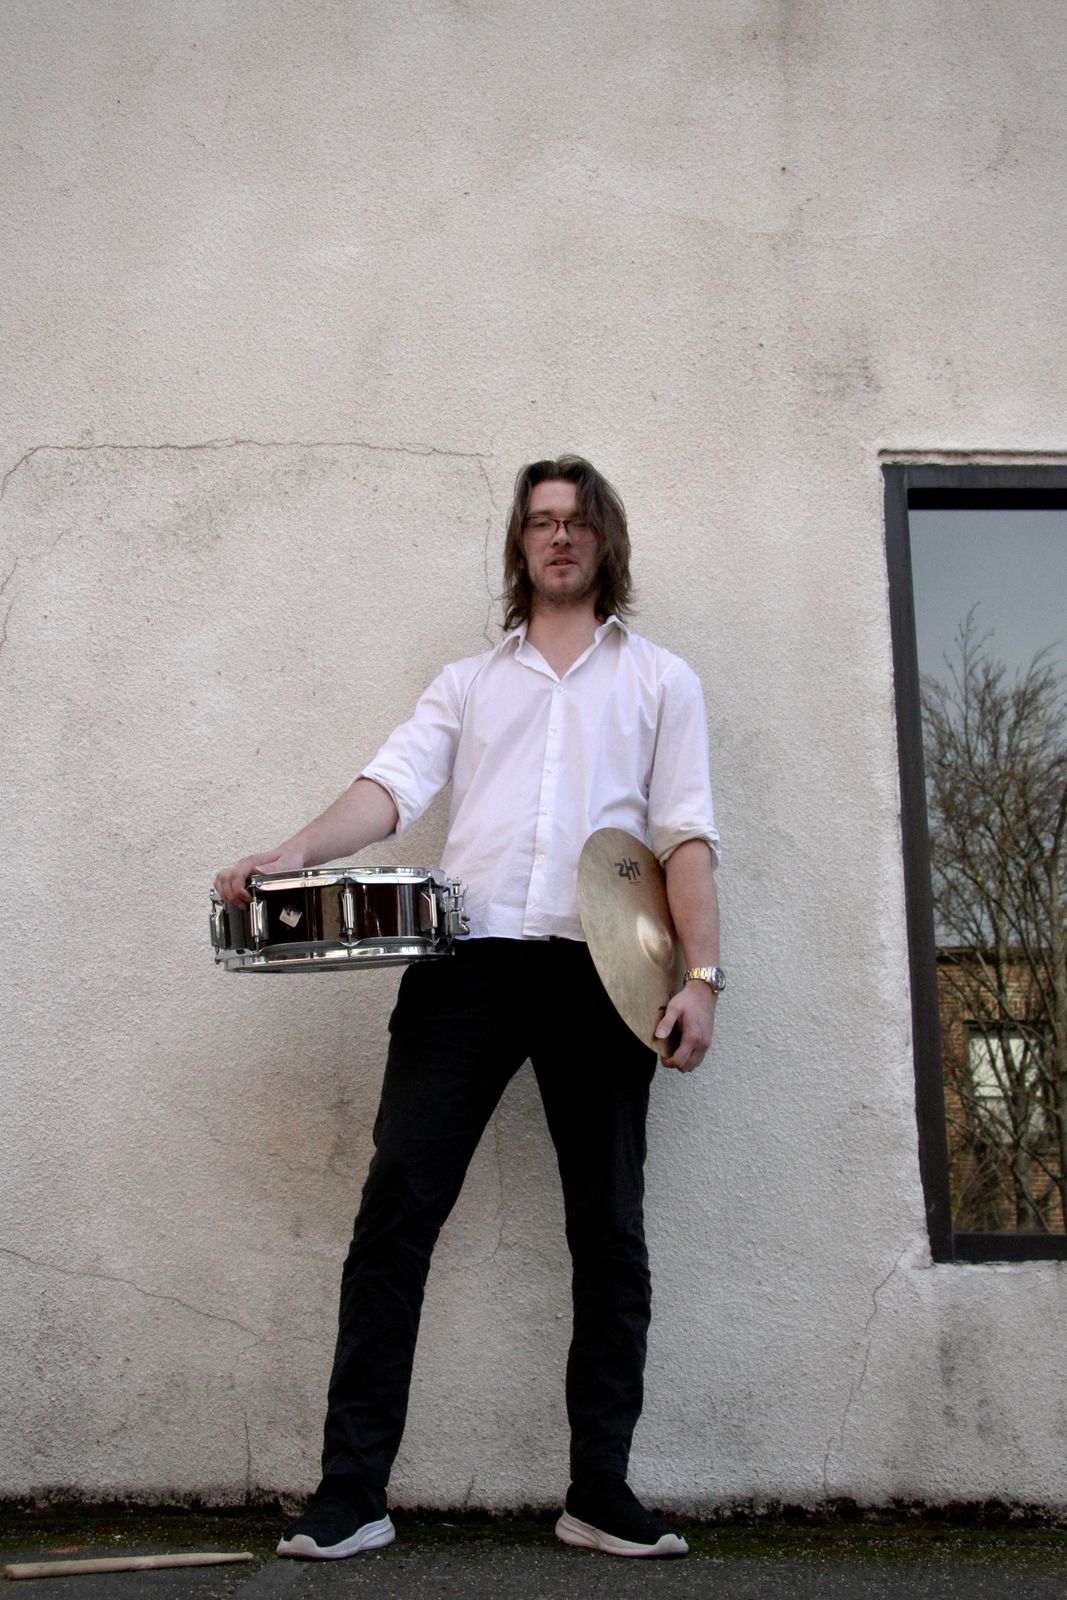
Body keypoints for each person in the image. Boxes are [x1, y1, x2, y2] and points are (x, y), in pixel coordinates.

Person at [214, 456, 722, 1561]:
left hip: (603, 979)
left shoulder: (660, 682)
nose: (557, 537)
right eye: (539, 522)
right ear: (518, 544)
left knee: (609, 1230)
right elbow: (390, 787)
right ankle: (351, 1492)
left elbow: (684, 834)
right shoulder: (467, 684)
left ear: (603, 540)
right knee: (396, 1210)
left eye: (575, 521)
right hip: (467, 969)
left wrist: (702, 977)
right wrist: (291, 854)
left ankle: (599, 1492)